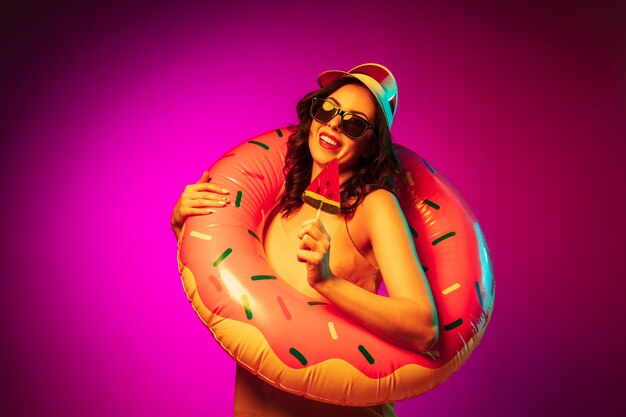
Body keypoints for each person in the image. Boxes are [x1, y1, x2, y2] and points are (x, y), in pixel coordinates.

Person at [170, 64, 438, 417]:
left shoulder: (375, 206)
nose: (334, 125)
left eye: (354, 123)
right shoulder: (276, 194)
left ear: (371, 144)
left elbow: (423, 327)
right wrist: (182, 223)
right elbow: (222, 278)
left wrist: (329, 282)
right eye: (327, 109)